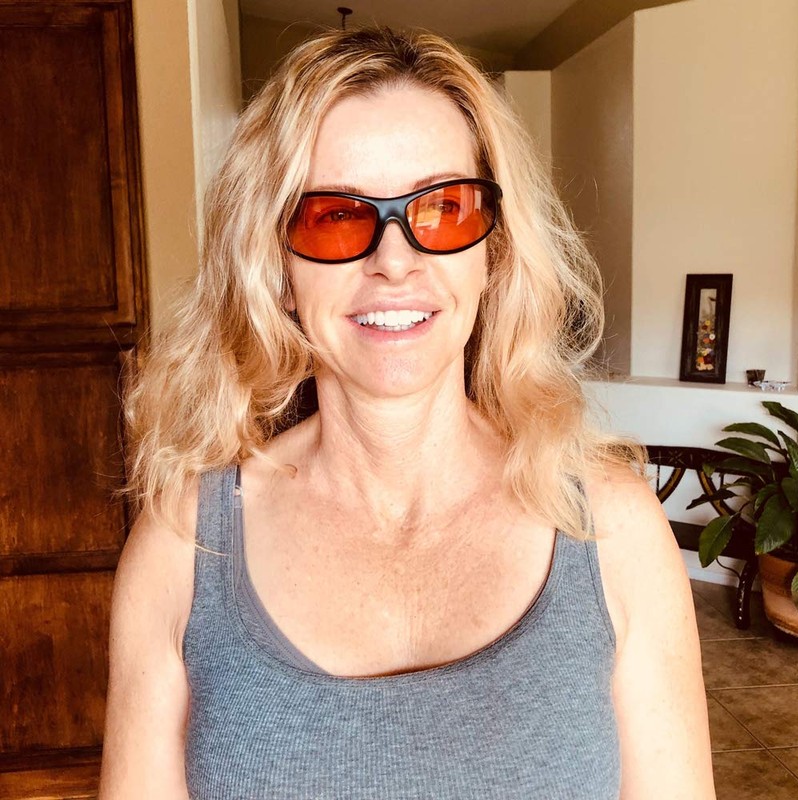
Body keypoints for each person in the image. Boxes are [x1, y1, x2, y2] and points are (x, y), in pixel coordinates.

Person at [99, 27, 715, 799]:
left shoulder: (614, 529)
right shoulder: (183, 545)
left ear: (494, 252)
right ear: (276, 267)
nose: (394, 260)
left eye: (444, 209)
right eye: (335, 216)